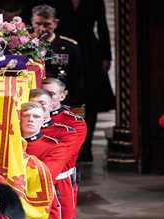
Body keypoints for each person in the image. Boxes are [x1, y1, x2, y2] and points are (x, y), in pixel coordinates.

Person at [46, 0, 115, 162]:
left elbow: (102, 26)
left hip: (89, 52)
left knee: (89, 101)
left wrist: (106, 55)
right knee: (65, 96)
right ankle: (64, 144)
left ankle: (86, 146)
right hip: (62, 51)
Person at [31, 5, 82, 107]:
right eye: (38, 23)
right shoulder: (23, 45)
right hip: (32, 99)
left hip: (61, 101)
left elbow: (78, 81)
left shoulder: (69, 47)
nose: (42, 29)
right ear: (32, 22)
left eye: (47, 24)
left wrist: (78, 110)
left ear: (55, 23)